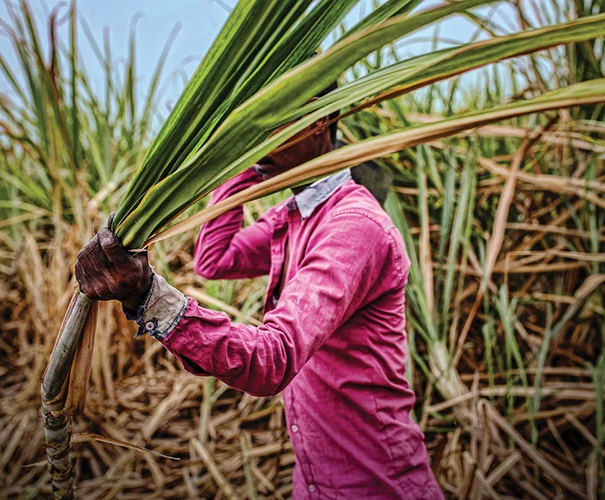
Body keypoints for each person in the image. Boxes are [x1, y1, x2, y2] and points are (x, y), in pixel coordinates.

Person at [74, 85, 444, 499]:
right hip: (315, 484)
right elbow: (215, 260)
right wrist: (237, 166)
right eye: (252, 126)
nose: (258, 138)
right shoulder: (294, 217)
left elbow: (273, 359)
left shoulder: (353, 227)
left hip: (376, 484)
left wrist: (148, 296)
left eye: (272, 120)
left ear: (319, 119)